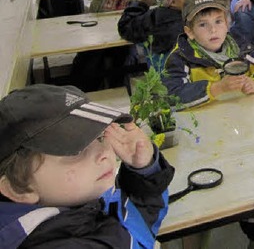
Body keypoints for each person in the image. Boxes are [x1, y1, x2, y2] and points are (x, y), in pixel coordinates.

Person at [162, 0, 254, 248]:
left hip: (241, 136)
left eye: (218, 22)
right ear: (190, 31)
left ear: (228, 24)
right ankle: (197, 238)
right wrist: (215, 89)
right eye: (203, 25)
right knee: (196, 206)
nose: (213, 30)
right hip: (199, 143)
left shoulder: (238, 46)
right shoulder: (180, 58)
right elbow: (171, 95)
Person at [0, 84, 175, 248]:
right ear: (19, 189)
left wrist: (143, 170)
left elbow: (137, 228)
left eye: (100, 137)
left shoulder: (82, 203)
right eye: (76, 151)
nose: (104, 153)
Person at [118, 0, 199, 67]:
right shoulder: (178, 22)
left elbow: (125, 27)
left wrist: (141, 4)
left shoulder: (154, 17)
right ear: (172, 1)